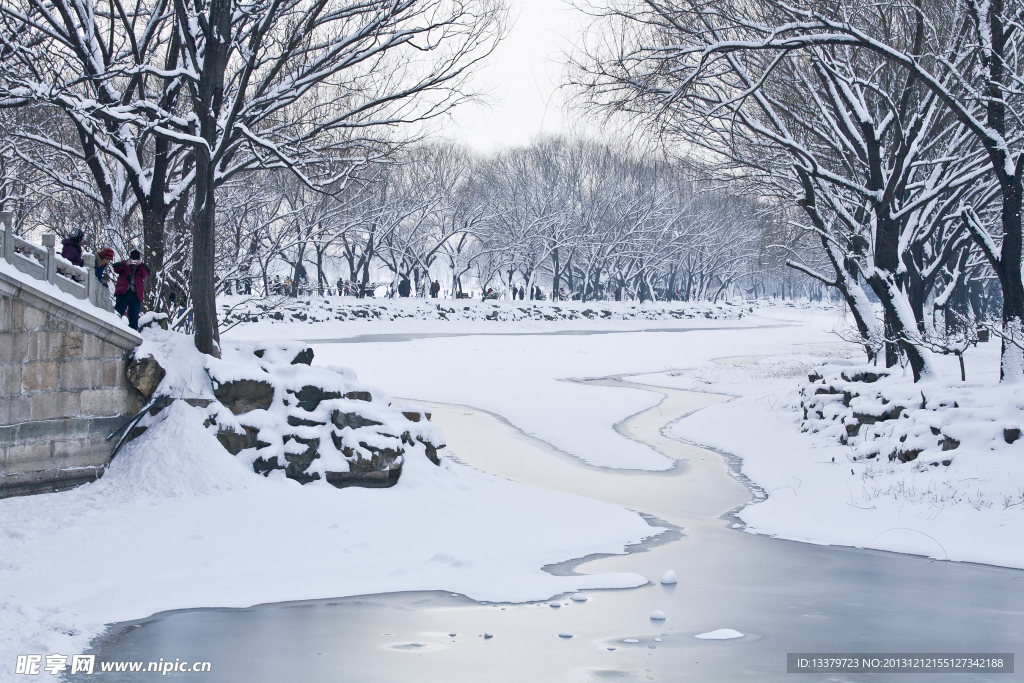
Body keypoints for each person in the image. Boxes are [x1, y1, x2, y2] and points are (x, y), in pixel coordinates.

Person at [112, 249, 149, 330]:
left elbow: (146, 274)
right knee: (118, 312)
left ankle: (133, 332)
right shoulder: (125, 265)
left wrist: (141, 265)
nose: (134, 261)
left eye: (136, 260)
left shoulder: (140, 268)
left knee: (134, 316)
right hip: (123, 292)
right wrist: (126, 264)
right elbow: (115, 267)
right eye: (133, 259)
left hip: (135, 294)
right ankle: (113, 327)